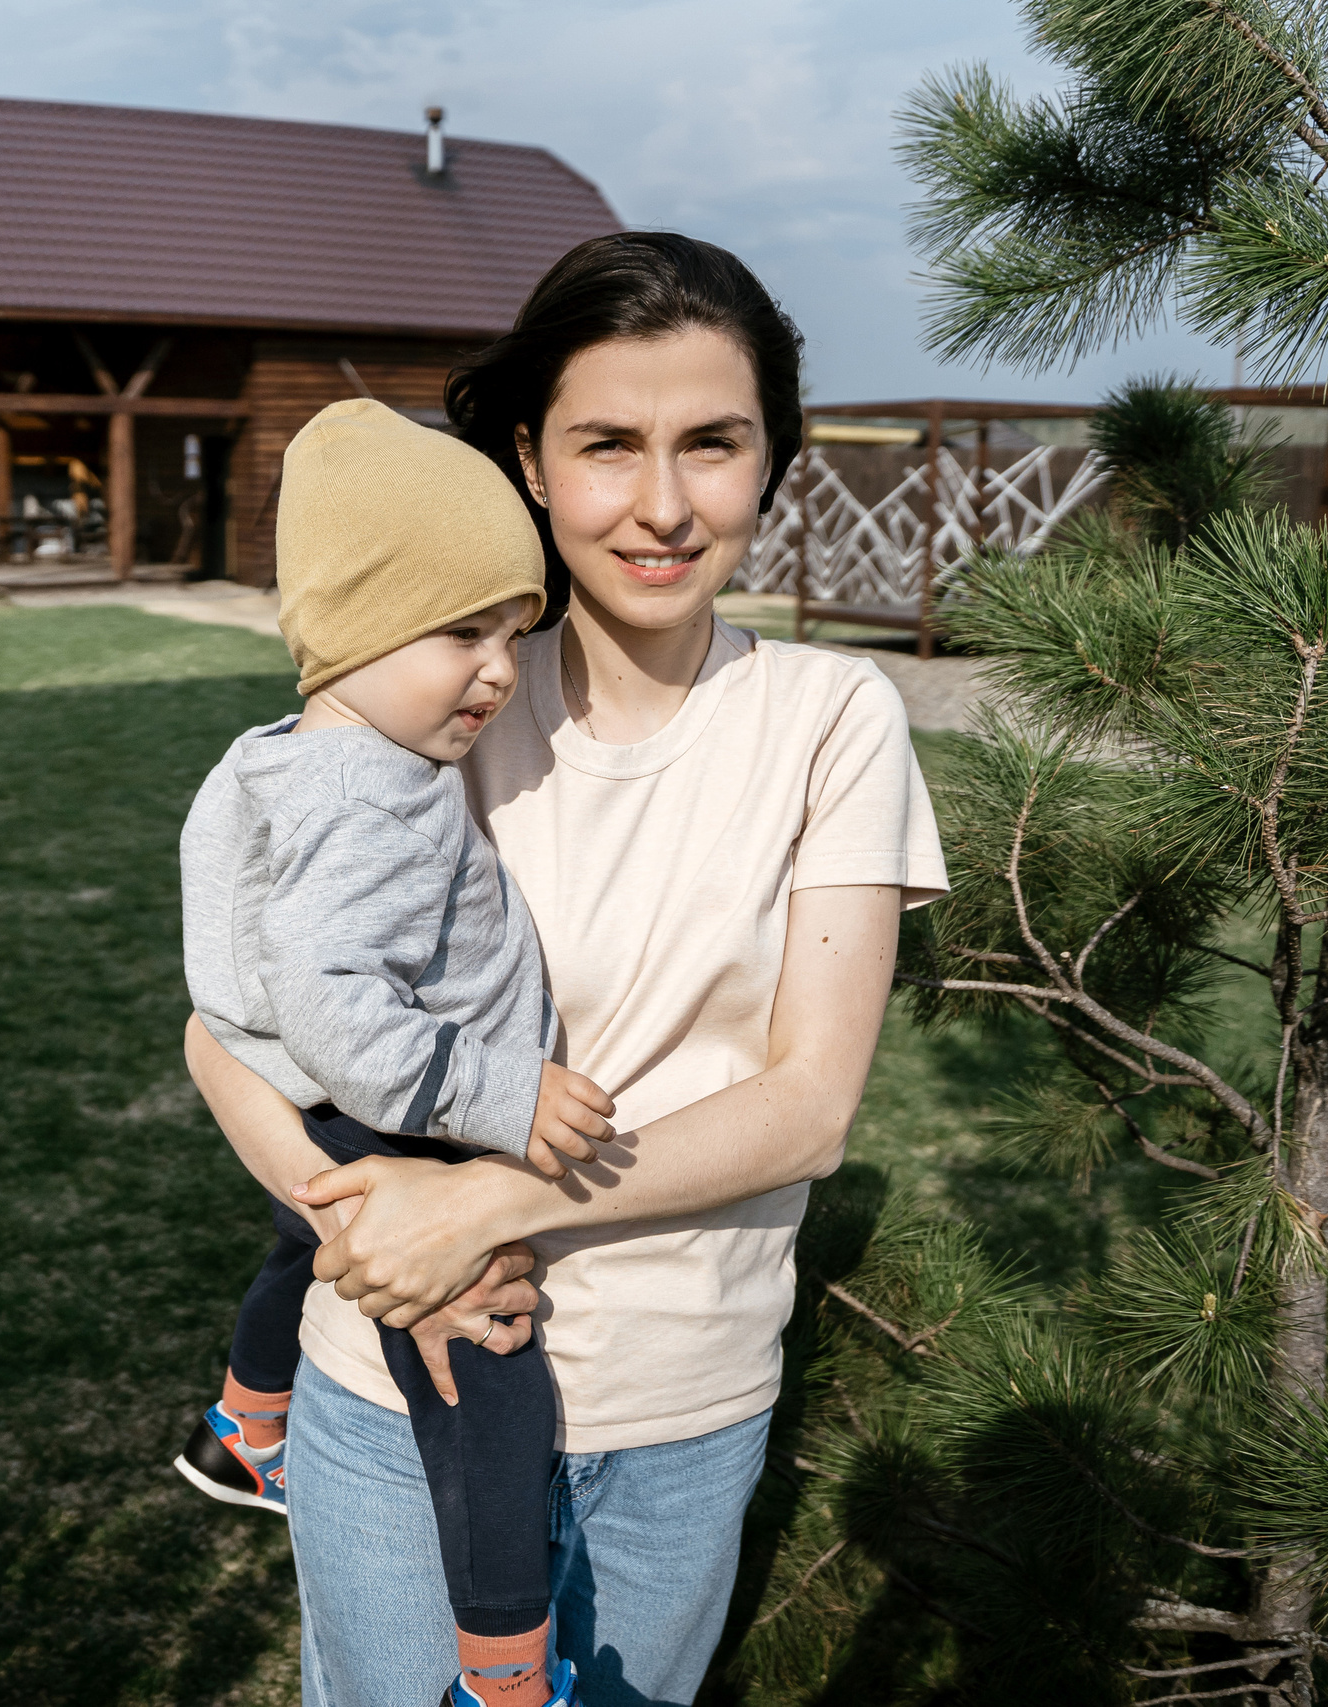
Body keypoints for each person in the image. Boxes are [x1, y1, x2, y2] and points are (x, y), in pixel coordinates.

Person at [183, 233, 947, 1707]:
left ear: (773, 458)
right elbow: (230, 1021)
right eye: (608, 444)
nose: (663, 503)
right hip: (396, 1368)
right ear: (528, 456)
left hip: (681, 1404)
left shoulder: (834, 715)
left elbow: (807, 1110)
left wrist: (477, 1200)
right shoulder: (440, 694)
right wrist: (368, 1226)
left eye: (713, 443)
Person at [176, 399, 615, 1707]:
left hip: (307, 1117)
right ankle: (504, 1661)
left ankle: (244, 1423)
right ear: (354, 627)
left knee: (296, 1246)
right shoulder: (364, 792)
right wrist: (501, 1088)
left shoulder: (269, 760)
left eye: (514, 632)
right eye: (462, 630)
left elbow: (245, 984)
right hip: (382, 1120)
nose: (497, 669)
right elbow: (334, 1006)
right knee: (482, 1356)